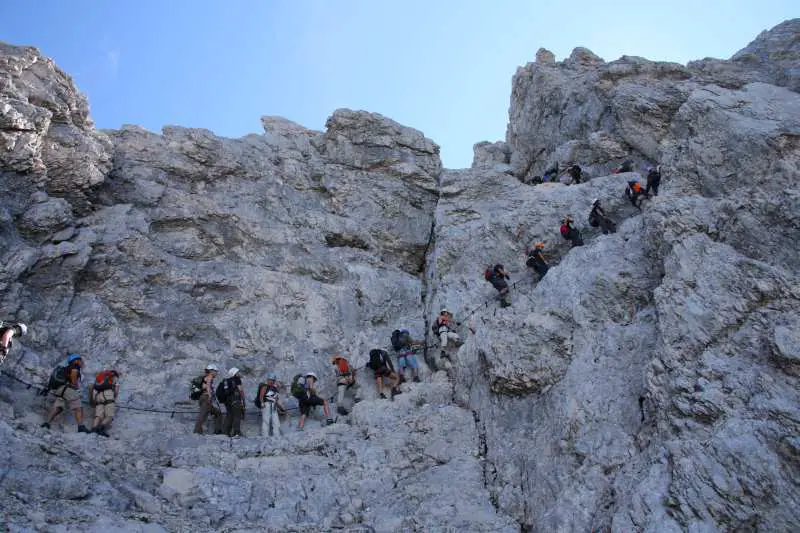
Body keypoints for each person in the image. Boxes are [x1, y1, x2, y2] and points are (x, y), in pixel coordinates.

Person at [41, 354, 89, 433]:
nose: (82, 362)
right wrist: (75, 386)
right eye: (80, 360)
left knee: (58, 408)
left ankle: (46, 423)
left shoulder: (66, 368)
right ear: (76, 360)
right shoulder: (75, 367)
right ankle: (81, 427)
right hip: (68, 389)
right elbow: (73, 377)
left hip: (60, 389)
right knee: (78, 407)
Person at [89, 369, 119, 437]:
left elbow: (93, 388)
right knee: (109, 416)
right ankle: (100, 429)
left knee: (98, 416)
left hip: (99, 396)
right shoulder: (114, 378)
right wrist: (113, 398)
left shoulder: (100, 377)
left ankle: (93, 429)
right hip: (108, 395)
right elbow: (116, 391)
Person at [194, 364, 223, 435]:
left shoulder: (205, 377)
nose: (216, 373)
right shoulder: (210, 376)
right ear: (211, 371)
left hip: (203, 398)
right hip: (206, 398)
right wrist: (210, 395)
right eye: (215, 371)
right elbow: (208, 385)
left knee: (218, 413)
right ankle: (197, 431)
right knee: (203, 414)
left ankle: (218, 430)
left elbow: (204, 386)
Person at [256, 373, 285, 438]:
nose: (271, 381)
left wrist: (280, 408)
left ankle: (277, 435)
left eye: (273, 380)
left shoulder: (275, 388)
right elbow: (261, 396)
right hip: (266, 405)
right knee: (266, 420)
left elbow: (275, 400)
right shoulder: (264, 386)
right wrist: (262, 403)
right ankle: (265, 436)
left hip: (273, 406)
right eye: (270, 380)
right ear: (268, 379)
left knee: (276, 421)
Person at [221, 367, 246, 437]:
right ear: (234, 373)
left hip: (228, 401)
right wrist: (243, 401)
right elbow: (240, 391)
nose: (239, 373)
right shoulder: (237, 379)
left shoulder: (226, 381)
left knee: (229, 416)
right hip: (236, 400)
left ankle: (226, 432)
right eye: (237, 372)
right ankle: (236, 432)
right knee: (237, 416)